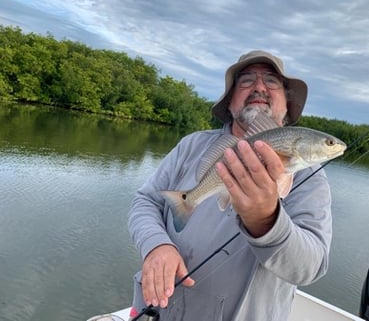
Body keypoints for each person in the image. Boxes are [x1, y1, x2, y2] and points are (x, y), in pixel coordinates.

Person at [127, 50, 333, 321]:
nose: (259, 86)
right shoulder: (192, 145)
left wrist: (266, 221)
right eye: (246, 80)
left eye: (272, 81)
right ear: (230, 99)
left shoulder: (310, 178)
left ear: (287, 102)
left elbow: (311, 267)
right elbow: (145, 202)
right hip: (154, 311)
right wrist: (156, 245)